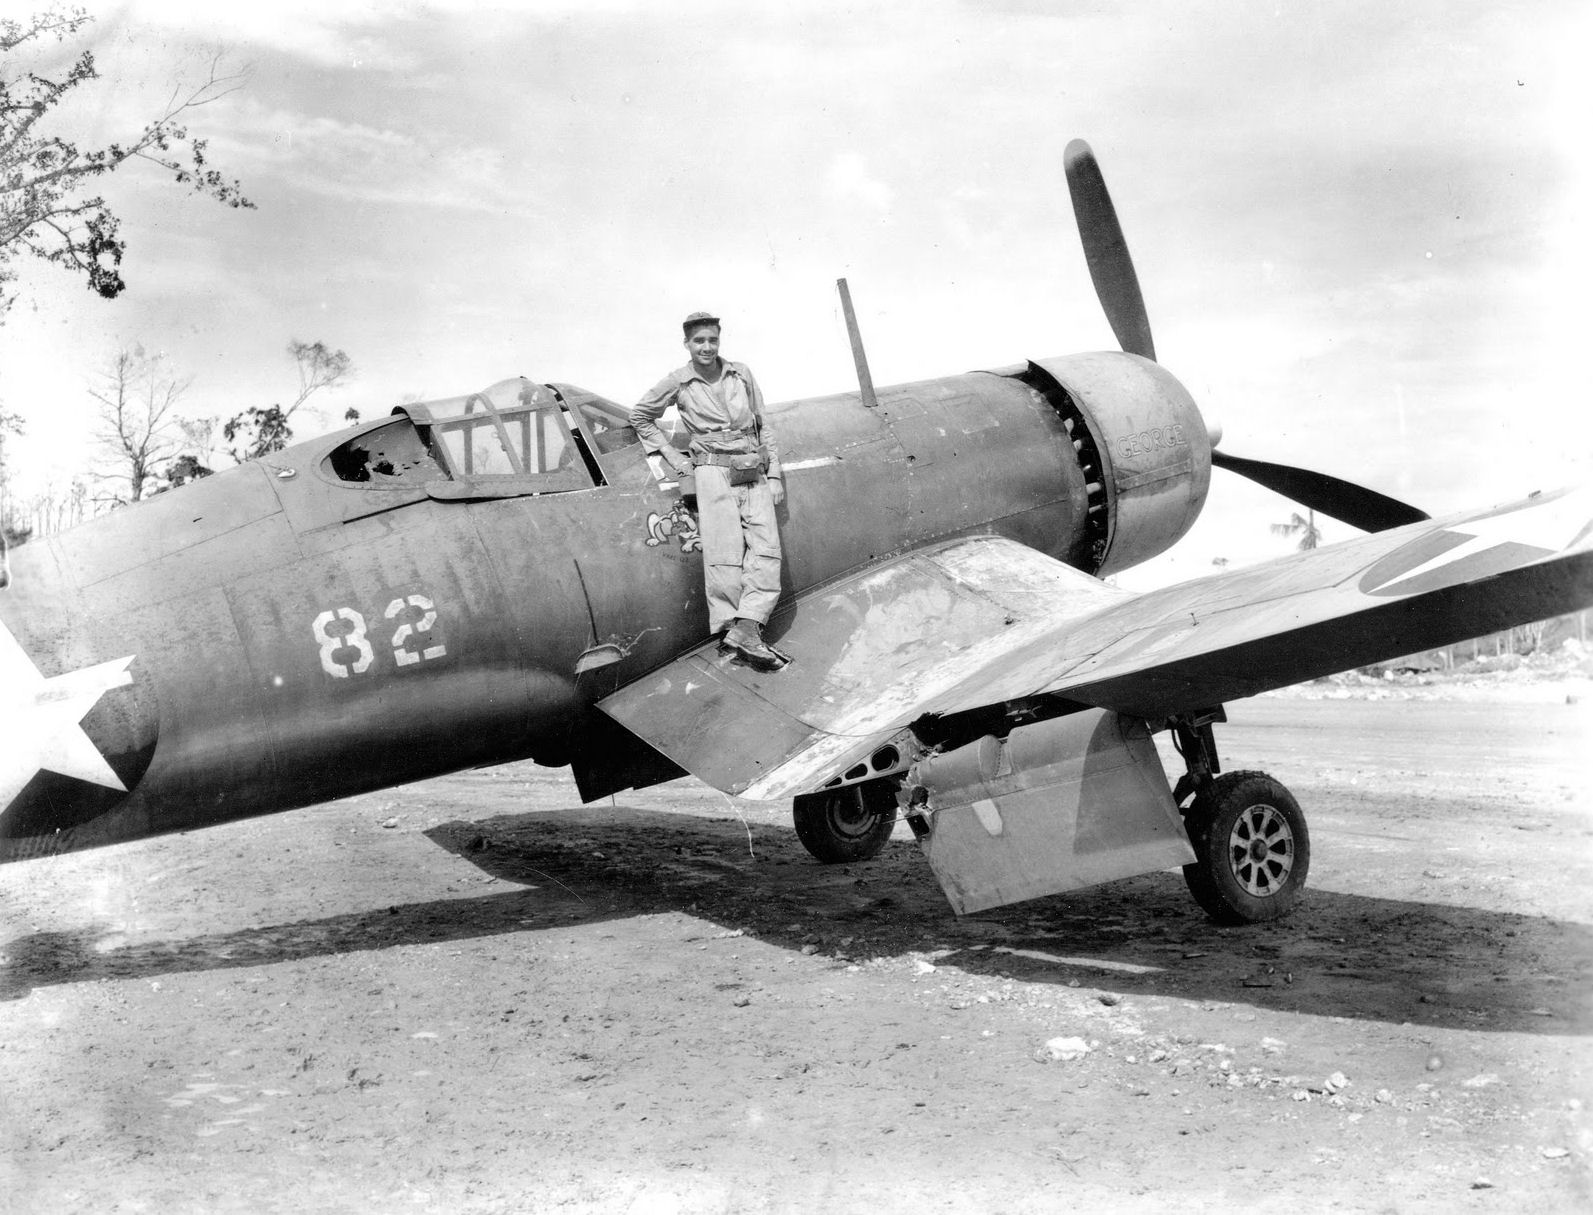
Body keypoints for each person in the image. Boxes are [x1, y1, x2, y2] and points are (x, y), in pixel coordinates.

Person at [631, 311, 785, 670]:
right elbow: (640, 415)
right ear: (687, 344)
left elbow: (763, 424)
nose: (706, 347)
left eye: (712, 340)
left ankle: (748, 626)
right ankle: (734, 628)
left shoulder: (741, 373)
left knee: (766, 545)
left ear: (719, 341)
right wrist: (672, 454)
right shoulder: (678, 382)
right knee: (724, 551)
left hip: (750, 465)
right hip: (711, 469)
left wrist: (774, 472)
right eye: (699, 341)